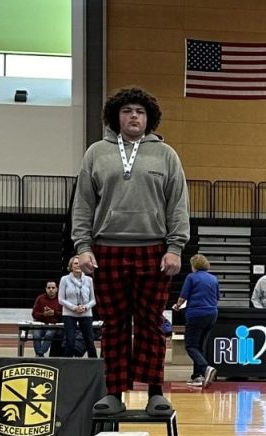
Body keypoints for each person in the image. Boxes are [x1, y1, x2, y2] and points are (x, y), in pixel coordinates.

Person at [71, 86, 190, 417]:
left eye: (139, 111)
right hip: (107, 248)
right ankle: (114, 392)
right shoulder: (96, 153)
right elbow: (83, 204)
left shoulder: (166, 155)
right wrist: (83, 246)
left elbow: (178, 204)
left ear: (149, 117)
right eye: (126, 111)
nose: (133, 116)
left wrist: (175, 247)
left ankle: (154, 391)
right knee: (114, 325)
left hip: (154, 250)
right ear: (115, 117)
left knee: (152, 323)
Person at [174, 254, 219, 388]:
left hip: (196, 314)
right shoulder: (213, 278)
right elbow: (217, 297)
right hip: (212, 314)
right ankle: (197, 376)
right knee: (200, 346)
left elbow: (183, 296)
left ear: (194, 265)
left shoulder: (191, 277)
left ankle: (206, 368)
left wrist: (177, 306)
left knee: (191, 346)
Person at [59, 256, 98, 358]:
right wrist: (74, 308)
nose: (78, 265)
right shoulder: (64, 279)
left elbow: (93, 300)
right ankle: (67, 365)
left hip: (86, 313)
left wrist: (85, 307)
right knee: (70, 341)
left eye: (80, 263)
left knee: (89, 341)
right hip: (69, 314)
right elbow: (61, 299)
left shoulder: (89, 280)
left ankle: (94, 367)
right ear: (71, 266)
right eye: (75, 263)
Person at [30, 280, 62, 357]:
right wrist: (44, 314)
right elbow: (34, 314)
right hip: (40, 323)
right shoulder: (40, 298)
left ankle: (39, 353)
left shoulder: (60, 300)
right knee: (36, 335)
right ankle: (40, 354)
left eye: (53, 288)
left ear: (56, 289)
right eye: (49, 287)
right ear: (46, 289)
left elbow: (64, 314)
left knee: (49, 334)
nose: (51, 289)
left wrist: (54, 313)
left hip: (53, 324)